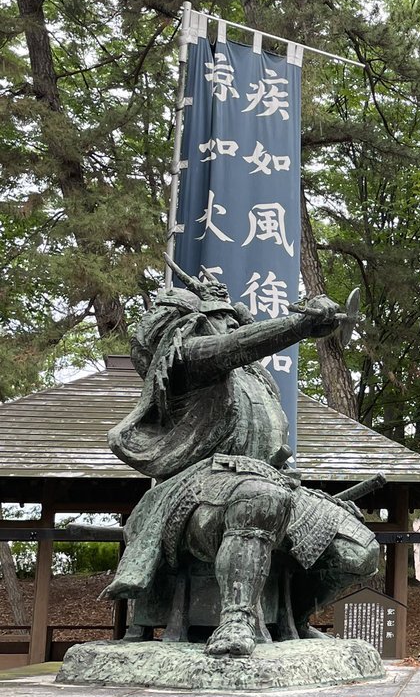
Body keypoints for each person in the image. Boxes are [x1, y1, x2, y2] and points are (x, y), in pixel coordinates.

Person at [102, 264, 379, 656]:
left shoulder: (255, 380)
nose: (233, 324)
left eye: (235, 319)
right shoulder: (188, 360)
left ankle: (294, 618)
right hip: (201, 484)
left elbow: (265, 433)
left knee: (360, 550)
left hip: (269, 478)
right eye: (224, 319)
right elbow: (236, 347)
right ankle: (237, 620)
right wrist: (299, 325)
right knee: (260, 500)